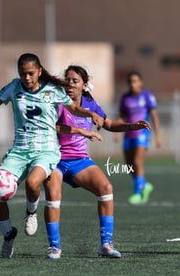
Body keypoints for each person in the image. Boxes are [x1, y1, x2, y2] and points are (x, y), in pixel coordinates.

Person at [0, 53, 104, 258]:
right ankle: (8, 234)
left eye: (31, 74)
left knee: (33, 183)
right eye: (23, 74)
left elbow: (74, 108)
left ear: (39, 71)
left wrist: (91, 114)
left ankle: (30, 213)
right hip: (19, 151)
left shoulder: (53, 91)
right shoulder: (14, 87)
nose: (27, 78)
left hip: (46, 151)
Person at [43, 65, 150, 259]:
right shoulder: (58, 102)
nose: (70, 85)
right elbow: (53, 127)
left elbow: (108, 124)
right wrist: (80, 130)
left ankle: (106, 245)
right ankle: (54, 247)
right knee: (53, 194)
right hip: (54, 159)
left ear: (84, 85)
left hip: (79, 161)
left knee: (106, 188)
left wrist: (132, 126)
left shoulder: (90, 103)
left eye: (75, 81)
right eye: (67, 80)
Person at [114, 71, 161, 205]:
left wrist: (157, 135)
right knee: (129, 165)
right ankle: (144, 185)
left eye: (135, 81)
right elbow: (122, 116)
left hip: (142, 134)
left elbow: (154, 116)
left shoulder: (147, 97)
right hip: (128, 134)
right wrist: (117, 131)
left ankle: (138, 193)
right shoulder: (125, 98)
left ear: (141, 82)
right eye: (130, 81)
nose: (133, 84)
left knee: (137, 161)